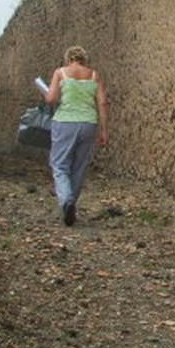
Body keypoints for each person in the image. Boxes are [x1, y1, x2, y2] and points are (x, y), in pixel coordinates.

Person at [43, 46, 109, 226]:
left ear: (68, 59)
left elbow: (51, 99)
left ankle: (66, 200)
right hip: (88, 124)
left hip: (65, 123)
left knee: (59, 164)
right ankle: (71, 202)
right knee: (79, 166)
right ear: (84, 59)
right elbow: (102, 103)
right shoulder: (95, 75)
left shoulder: (61, 73)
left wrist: (46, 91)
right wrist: (104, 130)